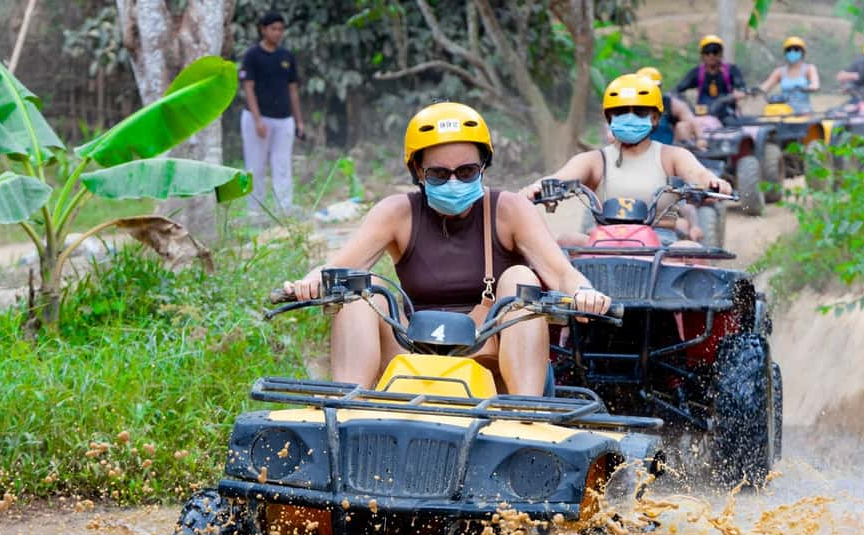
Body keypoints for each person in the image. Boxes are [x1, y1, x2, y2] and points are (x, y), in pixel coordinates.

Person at [282, 102, 612, 396]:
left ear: (483, 166)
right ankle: (347, 414)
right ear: (417, 172)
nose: (454, 182)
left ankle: (526, 415)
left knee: (520, 277)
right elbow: (338, 267)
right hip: (412, 352)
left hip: (490, 354)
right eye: (439, 174)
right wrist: (308, 283)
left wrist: (584, 292)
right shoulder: (396, 212)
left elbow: (561, 272)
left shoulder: (509, 209)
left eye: (466, 172)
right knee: (362, 288)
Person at [521, 75, 733, 245]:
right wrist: (537, 188)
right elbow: (560, 178)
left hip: (663, 244)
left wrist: (712, 182)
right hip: (603, 244)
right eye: (621, 112)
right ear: (609, 118)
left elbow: (697, 173)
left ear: (655, 118)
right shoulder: (595, 160)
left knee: (689, 249)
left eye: (639, 112)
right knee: (565, 241)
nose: (630, 118)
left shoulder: (672, 156)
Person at [240, 11, 304, 215]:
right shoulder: (252, 55)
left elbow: (292, 90)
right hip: (256, 118)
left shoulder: (287, 56)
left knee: (282, 164)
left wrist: (299, 121)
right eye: (273, 29)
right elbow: (248, 88)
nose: (278, 33)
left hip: (284, 119)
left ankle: (283, 208)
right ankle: (254, 211)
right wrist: (258, 120)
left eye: (281, 29)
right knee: (255, 165)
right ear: (263, 29)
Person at [674, 35, 747, 122]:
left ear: (720, 53)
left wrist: (733, 96)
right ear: (702, 55)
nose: (711, 55)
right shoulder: (696, 73)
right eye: (707, 52)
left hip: (726, 115)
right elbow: (677, 89)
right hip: (702, 116)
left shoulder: (731, 70)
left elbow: (742, 90)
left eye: (715, 51)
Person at [635, 66, 705, 148]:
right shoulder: (631, 104)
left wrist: (701, 138)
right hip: (638, 149)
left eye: (655, 87)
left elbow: (691, 120)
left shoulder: (669, 103)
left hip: (667, 149)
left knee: (683, 126)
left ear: (660, 87)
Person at [758, 36, 820, 113]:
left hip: (803, 110)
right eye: (789, 50)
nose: (792, 52)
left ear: (802, 52)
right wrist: (754, 91)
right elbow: (765, 86)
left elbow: (815, 85)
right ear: (785, 53)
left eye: (796, 49)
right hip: (783, 110)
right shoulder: (779, 71)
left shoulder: (809, 69)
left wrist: (809, 88)